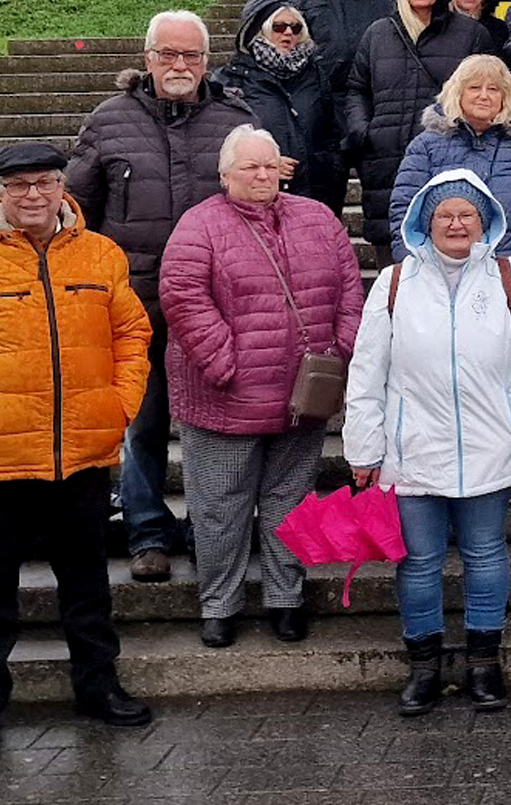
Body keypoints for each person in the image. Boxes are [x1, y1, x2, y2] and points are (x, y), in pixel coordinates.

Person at [0, 141, 154, 755]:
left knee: (87, 581)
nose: (32, 195)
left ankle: (98, 687)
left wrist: (118, 405)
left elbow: (133, 333)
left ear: (61, 186)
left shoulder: (101, 254)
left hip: (82, 450)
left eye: (44, 182)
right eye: (18, 184)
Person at [346, 169, 511, 716]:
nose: (456, 223)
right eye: (444, 215)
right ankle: (424, 668)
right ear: (424, 223)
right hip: (414, 448)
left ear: (484, 220)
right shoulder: (393, 284)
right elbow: (367, 373)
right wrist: (364, 450)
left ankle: (485, 664)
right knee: (417, 561)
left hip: (491, 445)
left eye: (466, 214)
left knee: (486, 556)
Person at [67, 10, 255, 585]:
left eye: (191, 56)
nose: (180, 65)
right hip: (134, 305)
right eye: (168, 54)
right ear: (146, 58)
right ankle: (147, 530)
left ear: (206, 59)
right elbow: (76, 210)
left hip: (215, 308)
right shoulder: (109, 120)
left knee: (212, 428)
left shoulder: (236, 119)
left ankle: (209, 528)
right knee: (141, 423)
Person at [159, 125, 364, 648]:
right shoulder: (198, 225)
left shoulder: (317, 218)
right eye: (250, 167)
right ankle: (220, 604)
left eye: (270, 165)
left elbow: (348, 290)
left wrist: (338, 352)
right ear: (225, 174)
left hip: (302, 396)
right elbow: (182, 298)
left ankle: (285, 598)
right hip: (224, 397)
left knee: (290, 502)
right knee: (219, 508)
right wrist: (225, 362)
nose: (262, 175)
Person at [345, 0, 494, 269]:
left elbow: (490, 92)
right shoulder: (377, 34)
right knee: (393, 264)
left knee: (451, 255)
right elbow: (356, 88)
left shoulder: (471, 35)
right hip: (384, 161)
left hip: (448, 160)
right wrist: (363, 131)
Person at [386, 54, 511, 276]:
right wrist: (414, 266)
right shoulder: (426, 145)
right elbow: (404, 208)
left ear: (505, 96)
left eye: (494, 89)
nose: (484, 96)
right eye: (474, 87)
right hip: (442, 272)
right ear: (457, 92)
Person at [210, 0, 345, 215]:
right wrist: (266, 162)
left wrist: (331, 167)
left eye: (295, 27)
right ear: (259, 31)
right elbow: (217, 140)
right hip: (252, 200)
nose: (288, 33)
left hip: (314, 196)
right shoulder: (230, 80)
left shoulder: (316, 76)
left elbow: (331, 133)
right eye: (279, 27)